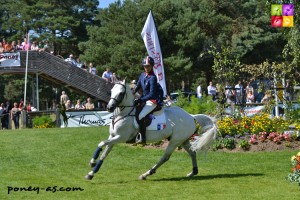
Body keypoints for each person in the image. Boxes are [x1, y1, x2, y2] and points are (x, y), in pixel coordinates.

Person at [133, 56, 164, 144]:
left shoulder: (153, 78)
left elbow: (152, 94)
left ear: (152, 66)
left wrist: (140, 100)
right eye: (145, 66)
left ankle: (143, 137)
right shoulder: (142, 75)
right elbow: (137, 86)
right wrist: (132, 93)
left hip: (152, 101)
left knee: (140, 116)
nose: (146, 68)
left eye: (148, 66)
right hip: (144, 99)